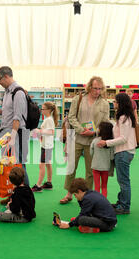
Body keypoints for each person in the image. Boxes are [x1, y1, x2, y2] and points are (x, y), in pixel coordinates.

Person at [60, 76, 110, 204]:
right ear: (89, 87)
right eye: (95, 88)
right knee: (71, 167)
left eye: (100, 89)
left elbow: (105, 123)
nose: (97, 91)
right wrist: (80, 129)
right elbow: (71, 117)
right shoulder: (79, 98)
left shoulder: (104, 103)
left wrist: (95, 131)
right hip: (77, 138)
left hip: (93, 141)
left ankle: (86, 196)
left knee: (90, 170)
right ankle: (69, 193)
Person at [0, 66, 30, 201]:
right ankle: (13, 196)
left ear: (6, 76)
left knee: (19, 166)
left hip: (16, 134)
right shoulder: (8, 92)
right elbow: (11, 112)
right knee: (9, 165)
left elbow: (18, 117)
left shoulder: (18, 92)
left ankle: (25, 197)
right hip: (8, 133)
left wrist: (12, 138)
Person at [97, 93, 137, 214]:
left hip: (123, 152)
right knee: (122, 180)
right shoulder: (125, 117)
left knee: (123, 181)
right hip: (124, 151)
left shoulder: (124, 118)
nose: (113, 103)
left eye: (115, 101)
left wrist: (106, 142)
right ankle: (121, 202)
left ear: (120, 103)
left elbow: (123, 138)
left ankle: (124, 206)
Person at [31, 101, 58, 192]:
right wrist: (38, 133)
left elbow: (51, 132)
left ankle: (38, 185)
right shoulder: (48, 119)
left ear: (49, 110)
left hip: (47, 146)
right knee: (48, 164)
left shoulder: (49, 120)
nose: (41, 110)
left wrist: (39, 131)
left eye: (43, 109)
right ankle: (49, 183)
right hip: (47, 145)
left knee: (41, 165)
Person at [90, 121, 114, 198]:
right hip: (105, 167)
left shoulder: (95, 141)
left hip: (95, 166)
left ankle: (97, 202)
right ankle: (104, 202)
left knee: (96, 187)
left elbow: (91, 153)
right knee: (104, 186)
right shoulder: (110, 143)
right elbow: (112, 157)